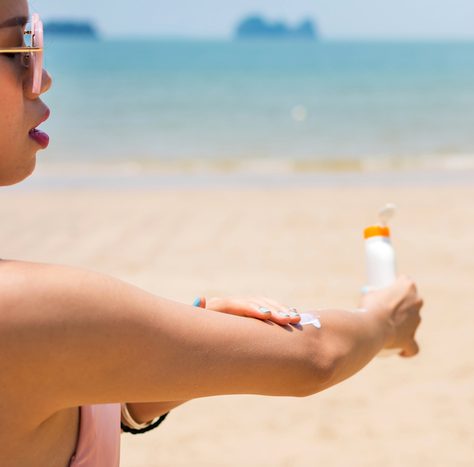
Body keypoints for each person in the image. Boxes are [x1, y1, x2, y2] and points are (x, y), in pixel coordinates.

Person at [0, 2, 424, 466]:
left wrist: (173, 344)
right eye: (20, 46)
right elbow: (315, 356)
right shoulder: (25, 308)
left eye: (34, 44)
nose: (41, 77)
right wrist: (385, 319)